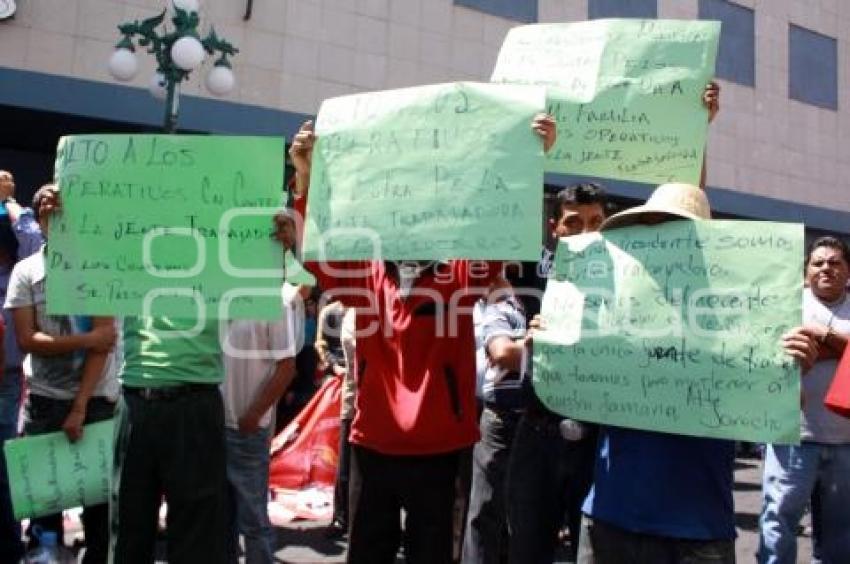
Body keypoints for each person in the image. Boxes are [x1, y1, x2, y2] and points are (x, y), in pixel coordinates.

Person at [288, 113, 556, 564]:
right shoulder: (363, 272)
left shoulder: (463, 272)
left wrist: (533, 160)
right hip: (373, 442)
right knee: (367, 552)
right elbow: (317, 250)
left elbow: (504, 227)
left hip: (440, 445)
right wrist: (305, 174)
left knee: (430, 553)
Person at [571, 182, 819, 564]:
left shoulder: (739, 320)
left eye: (675, 229)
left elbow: (782, 408)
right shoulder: (610, 305)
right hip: (610, 517)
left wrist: (789, 370)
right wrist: (551, 341)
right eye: (651, 227)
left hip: (695, 530)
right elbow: (573, 389)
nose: (661, 239)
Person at [4, 184, 120, 563]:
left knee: (99, 509)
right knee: (43, 508)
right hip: (42, 403)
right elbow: (27, 339)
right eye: (51, 212)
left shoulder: (98, 267)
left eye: (66, 211)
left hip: (95, 405)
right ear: (40, 219)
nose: (59, 219)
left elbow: (105, 345)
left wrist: (80, 407)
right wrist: (87, 338)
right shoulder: (27, 271)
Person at [505, 183, 608, 564]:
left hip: (599, 439)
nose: (586, 232)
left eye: (596, 221)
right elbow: (498, 227)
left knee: (594, 552)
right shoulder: (535, 268)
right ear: (554, 228)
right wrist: (534, 155)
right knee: (527, 549)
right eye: (574, 222)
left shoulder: (626, 271)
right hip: (538, 431)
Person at [758, 236, 850, 563]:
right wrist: (842, 350)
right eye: (819, 262)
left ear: (848, 271)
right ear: (806, 269)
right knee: (779, 520)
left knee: (839, 532)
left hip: (844, 441)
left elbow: (805, 350)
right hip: (791, 435)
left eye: (836, 262)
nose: (827, 268)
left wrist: (818, 335)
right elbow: (764, 351)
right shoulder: (784, 303)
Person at [222, 209, 305, 564]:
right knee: (220, 516)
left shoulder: (278, 297)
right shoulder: (219, 293)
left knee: (253, 517)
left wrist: (253, 415)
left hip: (246, 427)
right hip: (215, 422)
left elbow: (286, 368)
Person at [462, 274, 527, 564]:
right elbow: (502, 352)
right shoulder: (498, 303)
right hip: (498, 415)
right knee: (485, 512)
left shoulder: (544, 302)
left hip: (538, 418)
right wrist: (537, 344)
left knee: (524, 519)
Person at [0, 169, 45, 563]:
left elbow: (32, 239)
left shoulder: (18, 273)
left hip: (6, 381)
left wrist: (10, 202)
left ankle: (11, 546)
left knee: (3, 467)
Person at [315, 300, 357, 537]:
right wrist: (334, 367)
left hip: (366, 394)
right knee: (345, 459)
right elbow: (321, 345)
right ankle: (341, 517)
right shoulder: (331, 313)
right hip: (343, 384)